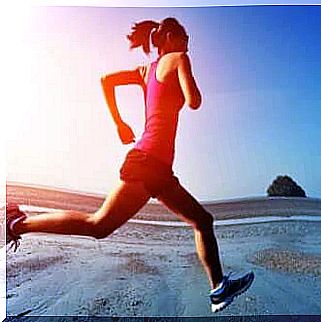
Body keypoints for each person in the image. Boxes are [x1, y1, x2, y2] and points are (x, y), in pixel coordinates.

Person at [6, 17, 254, 313]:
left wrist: (119, 124)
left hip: (159, 170)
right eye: (185, 36)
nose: (189, 43)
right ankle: (18, 223)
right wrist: (186, 77)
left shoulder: (145, 71)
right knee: (98, 225)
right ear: (171, 37)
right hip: (148, 162)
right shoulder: (179, 58)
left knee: (202, 220)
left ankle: (218, 289)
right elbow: (195, 101)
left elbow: (106, 81)